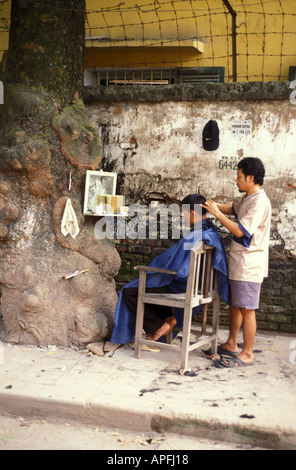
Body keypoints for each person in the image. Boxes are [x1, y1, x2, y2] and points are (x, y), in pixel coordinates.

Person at [110, 194, 230, 346]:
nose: (184, 218)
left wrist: (159, 270)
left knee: (130, 291)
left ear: (192, 213)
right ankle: (167, 319)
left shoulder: (193, 237)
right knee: (152, 285)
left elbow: (179, 271)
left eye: (184, 214)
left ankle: (159, 326)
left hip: (184, 287)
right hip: (202, 287)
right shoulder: (211, 232)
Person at [203, 157, 271, 368]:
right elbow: (233, 208)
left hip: (249, 264)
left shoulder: (259, 202)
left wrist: (215, 214)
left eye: (239, 176)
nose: (236, 180)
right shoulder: (248, 197)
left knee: (247, 308)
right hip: (239, 262)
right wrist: (213, 205)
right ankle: (232, 343)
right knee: (236, 306)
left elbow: (241, 230)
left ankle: (248, 352)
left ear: (251, 178)